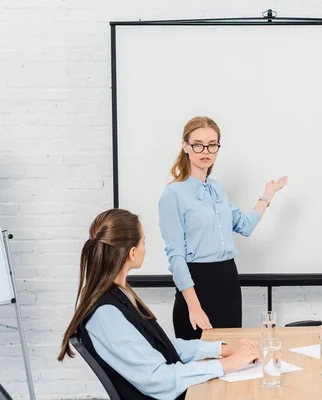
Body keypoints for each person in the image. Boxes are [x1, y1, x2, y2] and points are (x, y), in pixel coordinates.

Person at [58, 209, 262, 400]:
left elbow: (159, 345)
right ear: (132, 253)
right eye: (144, 242)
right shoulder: (106, 314)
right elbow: (159, 379)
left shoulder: (118, 294)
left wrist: (222, 349)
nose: (145, 248)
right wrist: (228, 364)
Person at [158, 116, 287, 340]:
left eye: (212, 144)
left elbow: (244, 227)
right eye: (197, 144)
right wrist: (194, 306)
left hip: (228, 280)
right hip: (196, 285)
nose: (205, 150)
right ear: (185, 146)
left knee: (233, 361)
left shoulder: (217, 188)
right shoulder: (173, 194)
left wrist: (267, 195)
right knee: (201, 362)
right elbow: (176, 256)